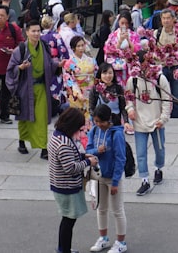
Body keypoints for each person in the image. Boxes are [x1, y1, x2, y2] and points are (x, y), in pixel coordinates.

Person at [49, 107, 99, 253]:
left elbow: (70, 157)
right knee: (68, 221)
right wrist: (89, 162)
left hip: (59, 184)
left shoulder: (57, 136)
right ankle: (64, 249)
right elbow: (71, 168)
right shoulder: (64, 143)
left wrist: (84, 156)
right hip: (66, 187)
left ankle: (63, 248)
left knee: (67, 220)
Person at [7, 19, 59, 158]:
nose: (36, 34)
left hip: (41, 87)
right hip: (25, 88)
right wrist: (20, 67)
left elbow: (49, 64)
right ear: (27, 32)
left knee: (41, 117)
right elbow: (11, 69)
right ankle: (22, 141)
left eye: (38, 31)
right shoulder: (20, 50)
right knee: (25, 117)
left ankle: (43, 148)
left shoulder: (45, 46)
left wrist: (57, 65)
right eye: (33, 31)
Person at [85, 103, 128, 253]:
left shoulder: (116, 134)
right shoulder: (94, 131)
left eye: (100, 121)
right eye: (95, 121)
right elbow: (88, 150)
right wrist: (97, 150)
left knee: (117, 210)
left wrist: (116, 181)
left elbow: (120, 158)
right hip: (98, 176)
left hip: (111, 177)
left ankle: (121, 242)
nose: (98, 124)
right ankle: (103, 238)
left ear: (108, 119)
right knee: (101, 208)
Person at [126, 64, 172, 196]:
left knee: (160, 149)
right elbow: (128, 98)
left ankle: (158, 168)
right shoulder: (133, 80)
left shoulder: (160, 79)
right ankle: (144, 180)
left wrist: (163, 119)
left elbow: (166, 100)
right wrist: (130, 110)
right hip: (140, 122)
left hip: (157, 121)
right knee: (140, 153)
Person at [63, 36, 97, 125]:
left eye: (83, 45)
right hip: (76, 92)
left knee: (90, 117)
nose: (81, 48)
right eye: (78, 46)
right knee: (77, 118)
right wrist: (78, 93)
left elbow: (96, 74)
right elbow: (69, 79)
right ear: (73, 48)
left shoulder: (91, 60)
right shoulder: (70, 62)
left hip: (90, 91)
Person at [91, 63, 127, 127]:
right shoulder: (96, 89)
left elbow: (123, 107)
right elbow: (91, 108)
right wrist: (95, 122)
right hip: (100, 124)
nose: (108, 76)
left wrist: (126, 122)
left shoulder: (118, 88)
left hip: (116, 123)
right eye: (104, 73)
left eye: (110, 73)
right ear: (100, 74)